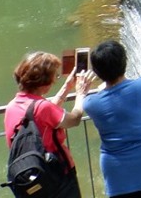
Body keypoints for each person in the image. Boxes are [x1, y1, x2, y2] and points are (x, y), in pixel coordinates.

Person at [77, 41, 141, 198]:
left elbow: (85, 104)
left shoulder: (92, 103)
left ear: (96, 72)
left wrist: (81, 93)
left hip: (120, 176)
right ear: (125, 62)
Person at [5, 53, 85, 198]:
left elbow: (44, 114)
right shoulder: (42, 108)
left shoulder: (12, 106)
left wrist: (67, 87)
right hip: (57, 176)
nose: (55, 79)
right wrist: (81, 94)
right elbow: (74, 119)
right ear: (46, 81)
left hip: (31, 175)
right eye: (55, 76)